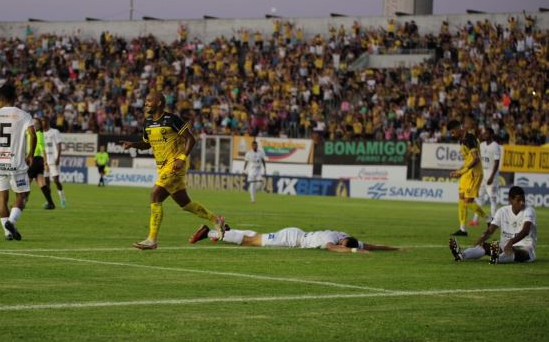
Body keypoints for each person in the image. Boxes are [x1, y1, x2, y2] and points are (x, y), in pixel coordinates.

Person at [121, 91, 226, 250]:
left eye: (149, 100)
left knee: (155, 194)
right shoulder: (148, 122)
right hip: (162, 167)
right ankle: (216, 220)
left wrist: (181, 158)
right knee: (185, 203)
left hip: (175, 164)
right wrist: (133, 144)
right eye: (146, 101)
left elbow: (191, 138)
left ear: (159, 103)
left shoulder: (172, 119)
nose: (146, 103)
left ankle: (152, 239)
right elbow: (147, 144)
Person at [0, 83, 36, 240]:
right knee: (23, 196)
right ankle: (12, 222)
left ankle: (7, 232)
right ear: (15, 97)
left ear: (1, 97)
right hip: (16, 163)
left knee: (2, 198)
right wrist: (30, 154)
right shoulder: (23, 115)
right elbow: (33, 135)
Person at [449, 186, 537, 264]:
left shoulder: (529, 210)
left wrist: (511, 242)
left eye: (523, 200)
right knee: (484, 246)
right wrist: (475, 245)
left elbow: (525, 231)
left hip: (525, 248)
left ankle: (497, 258)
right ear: (510, 200)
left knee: (516, 251)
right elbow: (489, 231)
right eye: (519, 200)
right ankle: (462, 255)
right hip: (504, 246)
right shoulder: (502, 211)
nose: (522, 203)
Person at [189, 224, 400, 253]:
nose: (341, 245)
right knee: (254, 241)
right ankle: (211, 233)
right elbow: (331, 248)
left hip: (296, 235)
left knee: (255, 239)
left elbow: (371, 245)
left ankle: (223, 231)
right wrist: (355, 252)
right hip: (292, 238)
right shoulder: (331, 239)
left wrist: (394, 249)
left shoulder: (344, 235)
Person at [447, 118, 487, 236]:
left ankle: (489, 219)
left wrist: (463, 171)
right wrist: (459, 171)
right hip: (467, 173)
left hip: (474, 173)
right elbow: (468, 160)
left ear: (457, 129)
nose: (452, 135)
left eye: (452, 132)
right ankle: (463, 229)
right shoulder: (462, 140)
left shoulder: (469, 138)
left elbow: (475, 159)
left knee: (468, 201)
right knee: (461, 199)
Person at [471, 127, 501, 225]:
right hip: (482, 176)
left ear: (491, 135)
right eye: (484, 133)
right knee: (479, 198)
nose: (484, 135)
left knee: (492, 199)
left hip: (491, 176)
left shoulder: (495, 146)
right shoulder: (482, 145)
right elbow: (479, 160)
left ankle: (494, 221)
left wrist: (492, 177)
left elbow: (497, 163)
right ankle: (475, 220)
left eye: (486, 133)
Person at [27, 117, 56, 209]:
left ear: (39, 126)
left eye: (36, 124)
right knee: (41, 183)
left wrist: (46, 163)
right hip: (38, 161)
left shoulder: (38, 134)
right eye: (33, 123)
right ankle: (51, 203)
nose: (34, 125)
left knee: (26, 182)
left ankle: (21, 202)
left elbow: (43, 150)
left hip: (35, 160)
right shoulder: (32, 133)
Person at [41, 116, 66, 207]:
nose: (42, 123)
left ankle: (62, 198)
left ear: (47, 121)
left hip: (54, 160)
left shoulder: (55, 132)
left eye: (44, 121)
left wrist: (58, 158)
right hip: (45, 161)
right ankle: (49, 201)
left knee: (56, 180)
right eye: (41, 121)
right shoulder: (40, 134)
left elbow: (59, 145)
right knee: (46, 183)